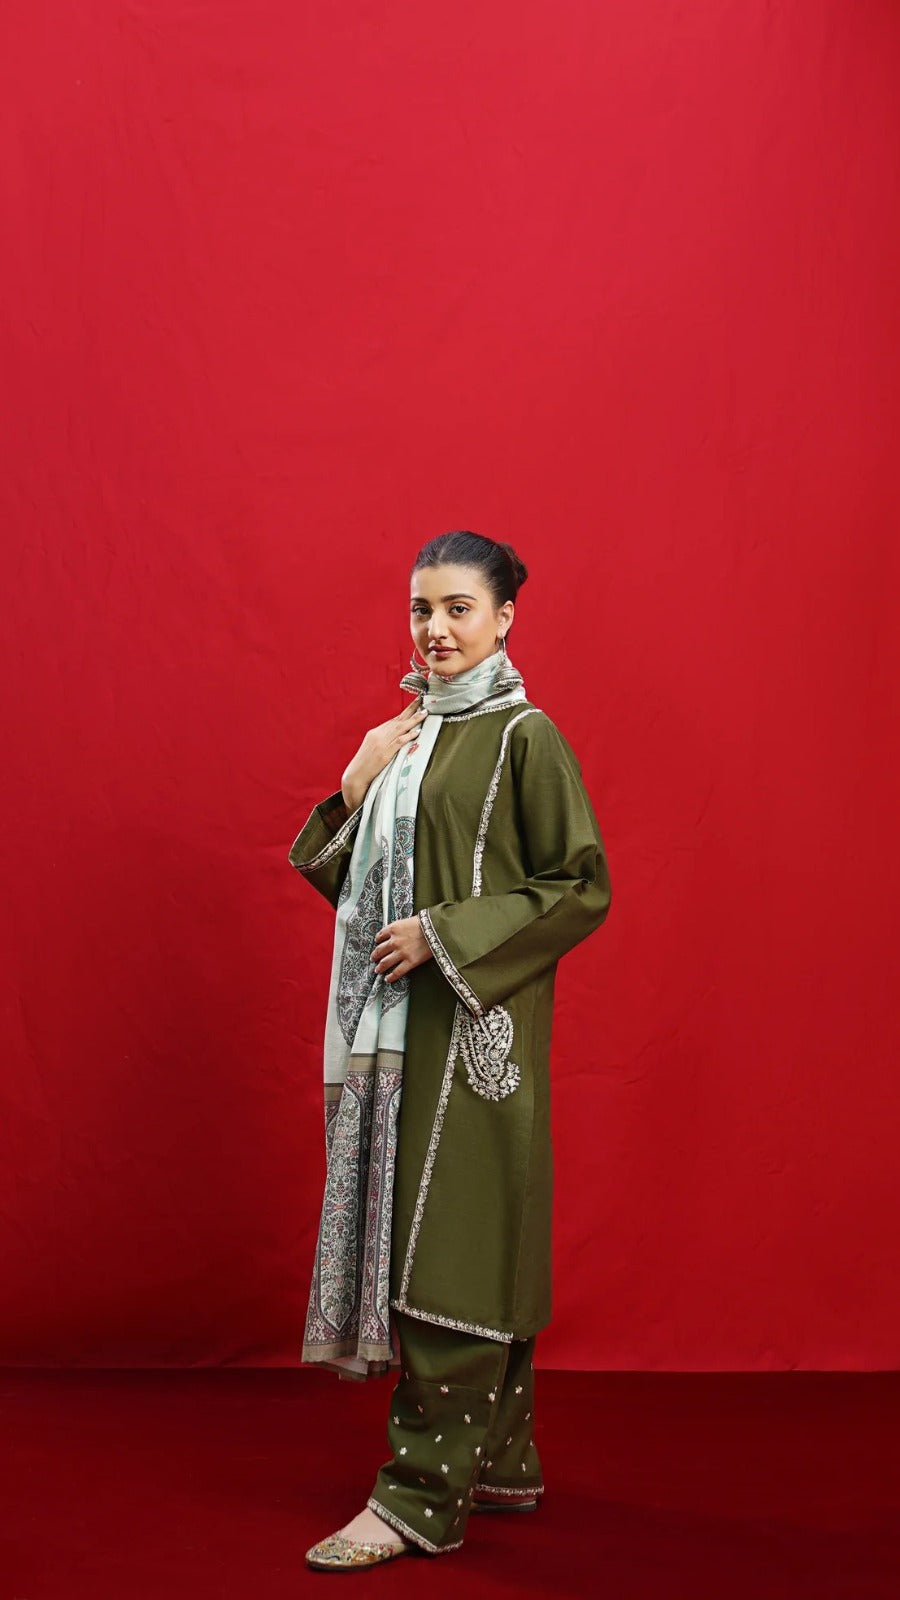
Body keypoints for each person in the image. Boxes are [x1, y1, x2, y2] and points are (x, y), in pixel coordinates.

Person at [287, 530, 612, 1571]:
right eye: (421, 608)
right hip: (400, 1030)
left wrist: (444, 933)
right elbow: (362, 894)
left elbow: (580, 884)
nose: (434, 628)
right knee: (445, 1233)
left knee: (457, 1241)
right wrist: (355, 783)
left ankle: (420, 1495)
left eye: (458, 608)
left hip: (477, 1031)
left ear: (506, 616)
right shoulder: (412, 735)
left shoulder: (525, 736)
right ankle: (501, 1459)